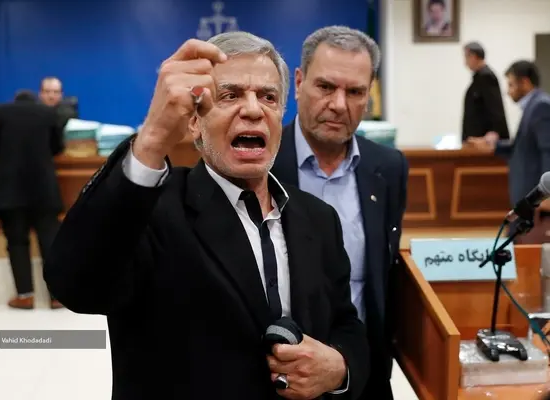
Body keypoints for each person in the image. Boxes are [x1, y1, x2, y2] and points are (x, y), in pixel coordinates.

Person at [44, 32, 370, 399]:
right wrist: (153, 138)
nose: (253, 110)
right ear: (194, 122)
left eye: (268, 97)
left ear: (281, 115)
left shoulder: (319, 218)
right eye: (230, 95)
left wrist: (339, 367)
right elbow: (76, 286)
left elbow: (346, 323)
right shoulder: (153, 209)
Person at [271, 26, 408, 400]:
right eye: (326, 86)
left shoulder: (388, 168)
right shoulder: (261, 162)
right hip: (279, 378)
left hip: (363, 377)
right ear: (299, 83)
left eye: (355, 92)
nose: (339, 104)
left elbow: (383, 276)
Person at [0, 90, 65, 309]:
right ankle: (56, 296)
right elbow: (58, 147)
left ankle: (25, 296)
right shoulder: (49, 113)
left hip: (11, 188)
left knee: (17, 241)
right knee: (50, 242)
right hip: (43, 188)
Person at [468, 61, 550, 242]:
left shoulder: (541, 106)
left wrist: (547, 195)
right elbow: (522, 146)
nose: (508, 91)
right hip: (527, 197)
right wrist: (493, 146)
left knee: (524, 248)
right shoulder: (533, 106)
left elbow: (548, 151)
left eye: (511, 84)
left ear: (525, 82)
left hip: (536, 197)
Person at [462, 42, 510, 141]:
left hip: (483, 140)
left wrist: (495, 131)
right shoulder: (478, 78)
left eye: (466, 57)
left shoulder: (487, 77)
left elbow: (495, 107)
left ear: (474, 56)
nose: (465, 62)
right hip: (476, 139)